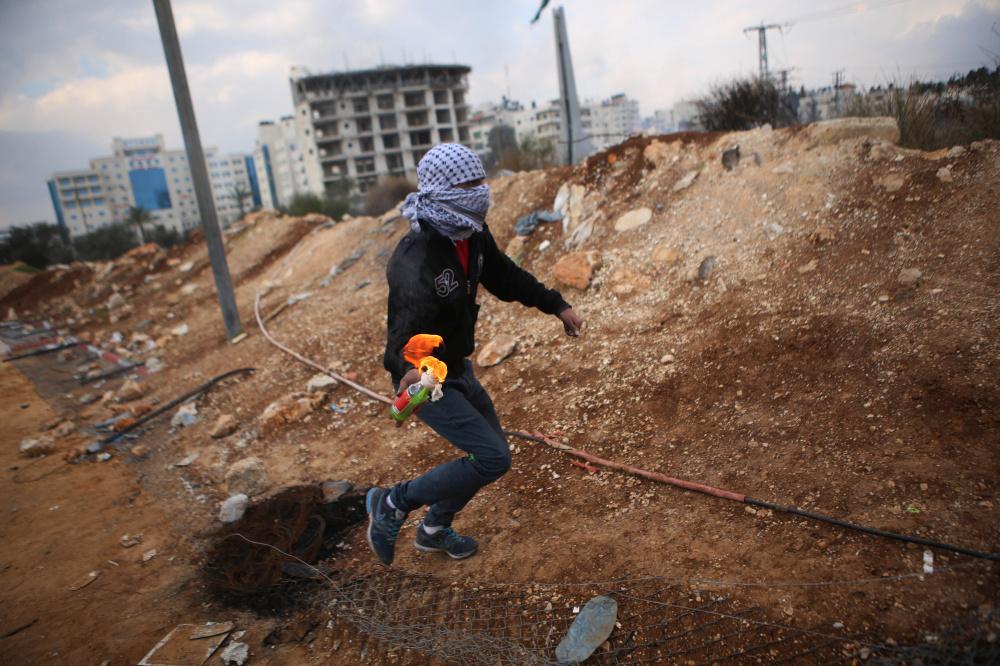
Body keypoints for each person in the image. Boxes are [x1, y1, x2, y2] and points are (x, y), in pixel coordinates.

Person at [366, 143, 584, 566]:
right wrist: (409, 369)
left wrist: (556, 304)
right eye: (469, 185)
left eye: (481, 181)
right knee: (491, 457)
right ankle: (393, 502)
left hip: (458, 368)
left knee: (490, 455)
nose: (480, 192)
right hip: (426, 379)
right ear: (443, 190)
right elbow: (402, 333)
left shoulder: (471, 233)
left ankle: (433, 529)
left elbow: (506, 277)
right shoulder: (416, 256)